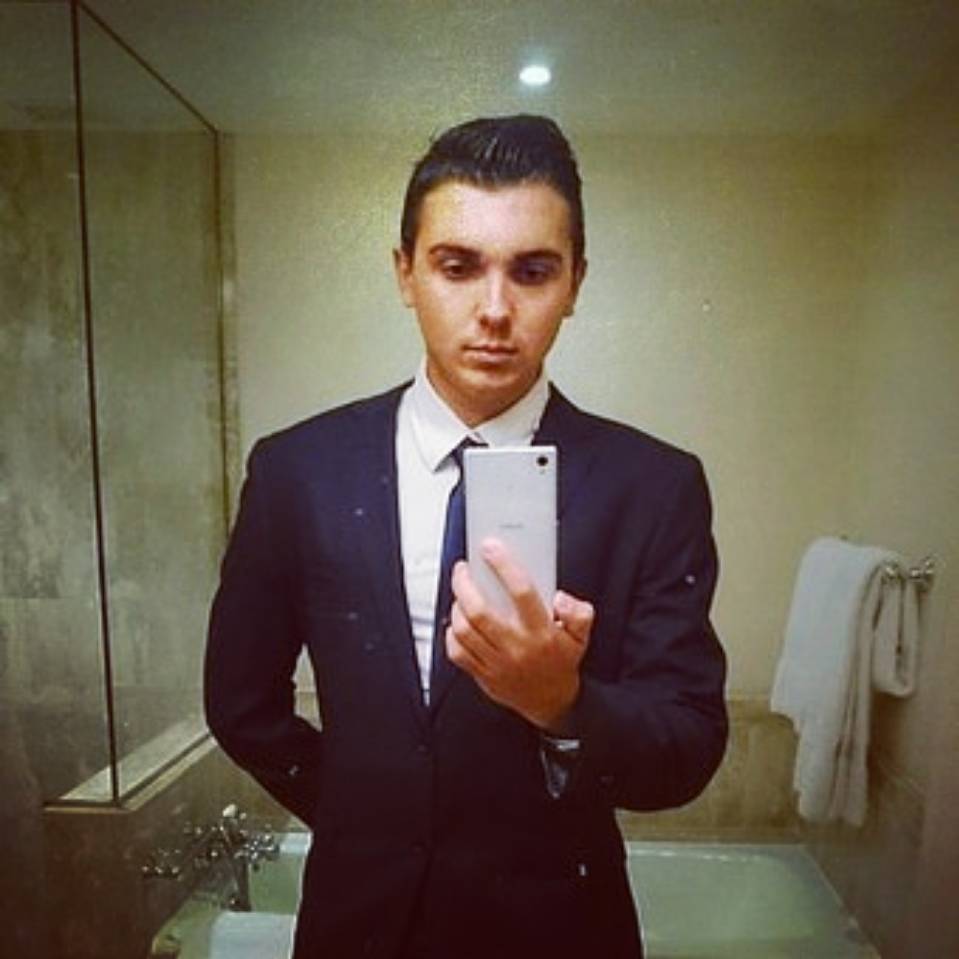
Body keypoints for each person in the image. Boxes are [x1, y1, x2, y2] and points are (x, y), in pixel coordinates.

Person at [205, 114, 727, 959]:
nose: (493, 310)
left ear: (575, 282)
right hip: (358, 925)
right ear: (405, 272)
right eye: (457, 266)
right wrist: (365, 811)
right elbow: (239, 702)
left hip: (560, 930)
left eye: (532, 271)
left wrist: (561, 702)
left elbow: (689, 746)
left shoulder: (653, 487)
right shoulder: (299, 470)